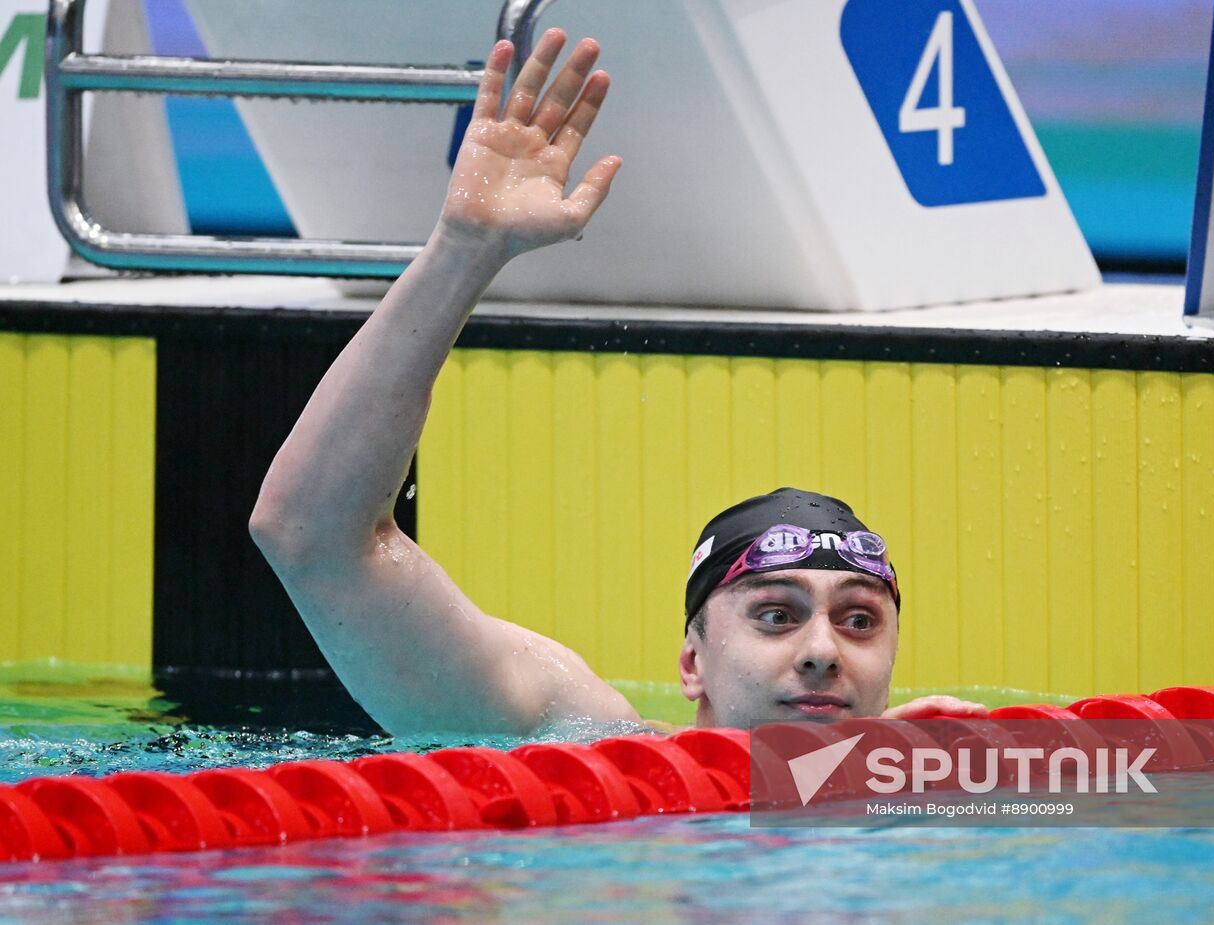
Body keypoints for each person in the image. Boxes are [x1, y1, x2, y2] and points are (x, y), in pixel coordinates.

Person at [249, 31, 985, 736]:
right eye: (775, 614)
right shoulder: (579, 740)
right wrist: (463, 253)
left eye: (860, 620)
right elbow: (313, 536)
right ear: (693, 663)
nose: (824, 650)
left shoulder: (936, 775)